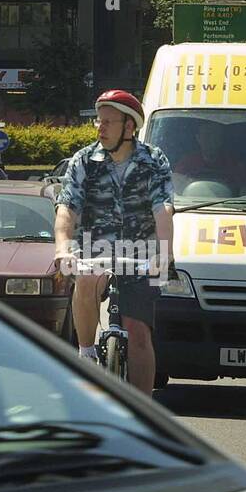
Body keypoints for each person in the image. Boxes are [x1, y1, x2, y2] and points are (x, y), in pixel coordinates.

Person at [53, 90, 175, 395]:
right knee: (86, 277)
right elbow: (67, 208)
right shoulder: (83, 160)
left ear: (129, 127)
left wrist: (164, 253)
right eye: (99, 121)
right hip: (96, 247)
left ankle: (144, 410)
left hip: (142, 252)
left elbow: (163, 210)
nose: (100, 127)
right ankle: (86, 354)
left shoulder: (153, 160)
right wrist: (62, 246)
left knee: (138, 333)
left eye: (108, 122)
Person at [174, 122, 246, 192]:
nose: (211, 140)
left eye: (215, 135)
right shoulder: (186, 163)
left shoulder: (233, 164)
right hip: (188, 204)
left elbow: (244, 190)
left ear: (220, 139)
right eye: (207, 135)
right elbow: (174, 189)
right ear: (198, 138)